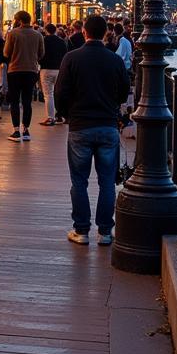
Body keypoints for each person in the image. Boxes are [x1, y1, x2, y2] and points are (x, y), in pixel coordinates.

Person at [53, 14, 130, 246]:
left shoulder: (71, 58)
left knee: (79, 181)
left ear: (84, 32)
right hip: (107, 125)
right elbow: (123, 91)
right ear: (106, 33)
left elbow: (60, 93)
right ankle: (105, 231)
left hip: (80, 126)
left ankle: (82, 230)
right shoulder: (114, 60)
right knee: (107, 181)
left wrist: (68, 115)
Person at [2, 10, 43, 142]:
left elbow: (6, 53)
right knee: (27, 101)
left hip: (15, 70)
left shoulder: (12, 34)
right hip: (31, 70)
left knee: (15, 101)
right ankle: (26, 130)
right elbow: (41, 53)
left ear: (18, 20)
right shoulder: (38, 35)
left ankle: (16, 131)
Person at [38, 21, 68, 126]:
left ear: (46, 31)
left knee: (48, 94)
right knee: (59, 93)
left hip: (46, 69)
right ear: (55, 31)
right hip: (59, 69)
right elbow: (66, 54)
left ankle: (50, 118)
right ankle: (60, 115)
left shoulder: (43, 40)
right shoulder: (61, 41)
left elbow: (40, 54)